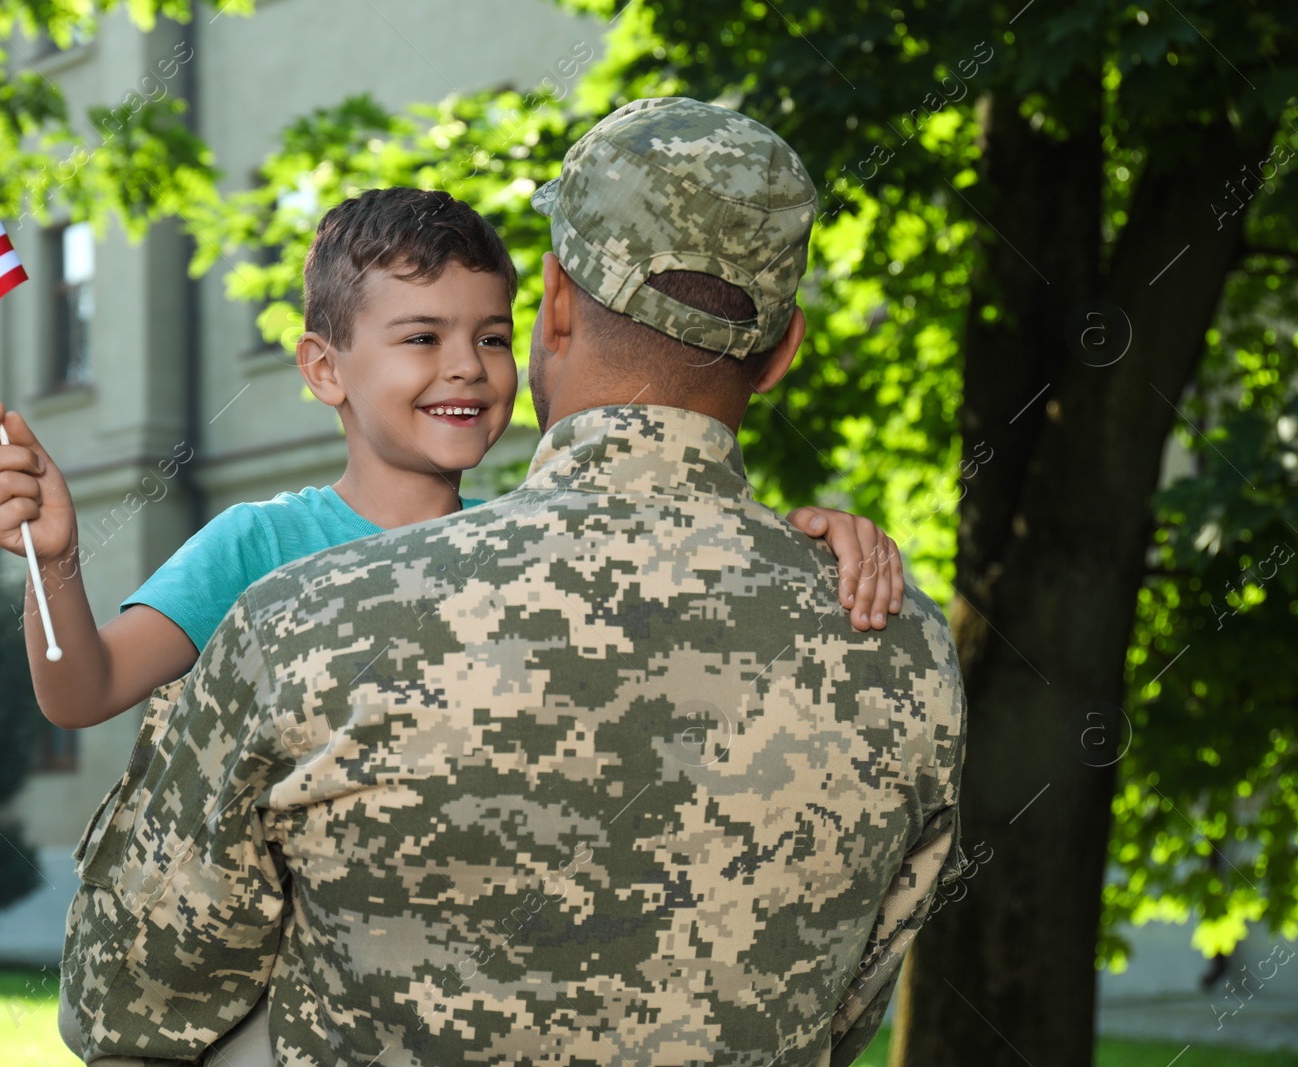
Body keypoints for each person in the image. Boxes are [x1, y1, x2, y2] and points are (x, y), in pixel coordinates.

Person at [56, 98, 966, 1067]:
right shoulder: (897, 644)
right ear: (782, 354)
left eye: (490, 333)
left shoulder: (308, 620)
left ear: (556, 304)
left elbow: (123, 1007)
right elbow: (841, 1011)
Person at [0, 189, 905, 731]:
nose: (466, 365)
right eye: (422, 337)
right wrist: (54, 563)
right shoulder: (255, 545)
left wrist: (800, 546)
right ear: (324, 368)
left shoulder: (534, 537)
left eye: (494, 337)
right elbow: (81, 691)